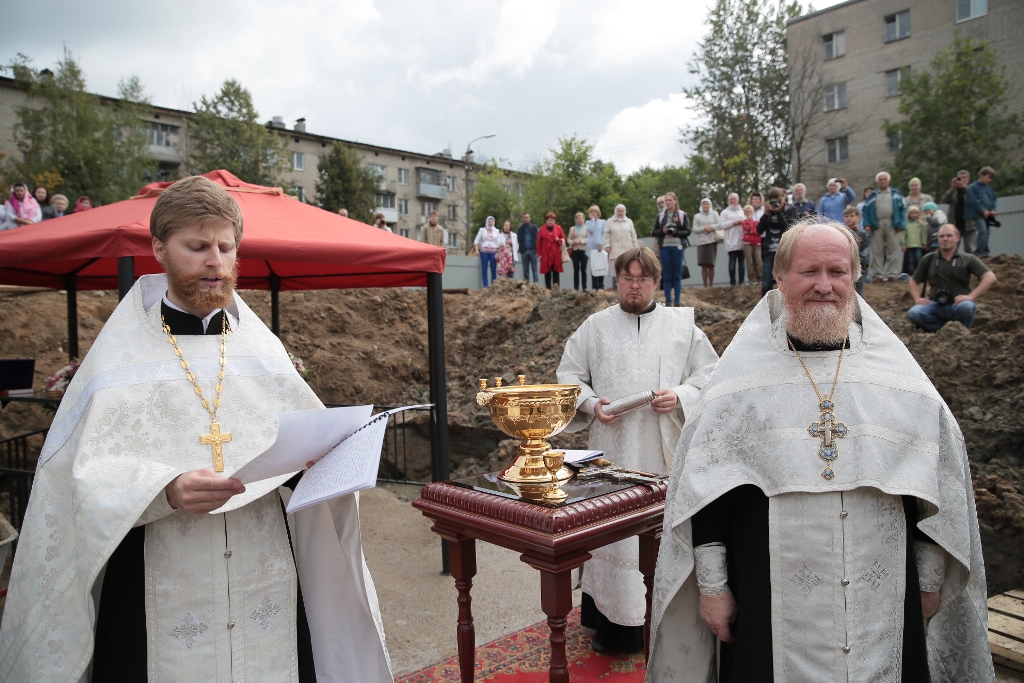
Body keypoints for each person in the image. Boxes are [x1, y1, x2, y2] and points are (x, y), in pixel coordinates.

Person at [0, 175, 392, 682]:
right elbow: (78, 477)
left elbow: (301, 446)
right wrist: (164, 488)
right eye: (197, 246)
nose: (215, 261)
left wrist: (316, 463)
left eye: (227, 247)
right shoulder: (117, 360)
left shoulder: (262, 351)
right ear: (159, 248)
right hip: (152, 578)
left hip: (264, 572)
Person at [647, 219, 995, 683]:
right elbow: (707, 496)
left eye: (838, 272)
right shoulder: (738, 383)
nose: (824, 286)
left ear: (855, 278)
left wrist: (928, 581)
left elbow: (933, 482)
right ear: (780, 278)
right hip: (766, 599)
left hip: (886, 595)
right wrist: (712, 589)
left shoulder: (897, 380)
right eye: (810, 271)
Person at [557, 245, 718, 655]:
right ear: (617, 281)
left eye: (642, 279)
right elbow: (569, 375)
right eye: (627, 278)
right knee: (612, 538)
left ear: (655, 282)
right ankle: (611, 625)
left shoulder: (681, 326)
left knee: (657, 538)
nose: (634, 286)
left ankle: (664, 622)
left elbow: (711, 373)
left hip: (661, 455)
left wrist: (680, 396)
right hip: (612, 452)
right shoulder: (594, 327)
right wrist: (593, 405)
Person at [907, 224, 997, 333]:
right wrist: (917, 299)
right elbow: (913, 281)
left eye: (949, 236)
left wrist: (971, 296)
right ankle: (943, 332)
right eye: (942, 236)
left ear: (957, 238)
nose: (945, 239)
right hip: (935, 304)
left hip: (958, 304)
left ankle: (963, 332)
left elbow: (990, 277)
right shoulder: (929, 259)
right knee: (914, 313)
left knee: (967, 307)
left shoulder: (967, 258)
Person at [862, 171, 907, 282]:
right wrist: (867, 224)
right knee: (877, 250)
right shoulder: (872, 195)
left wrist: (901, 224)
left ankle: (892, 273)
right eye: (880, 180)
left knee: (893, 249)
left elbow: (903, 209)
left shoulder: (896, 194)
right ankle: (878, 274)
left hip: (893, 223)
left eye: (884, 179)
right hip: (876, 224)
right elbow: (865, 210)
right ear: (877, 182)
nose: (882, 181)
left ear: (889, 181)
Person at [757, 187, 797, 295]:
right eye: (773, 201)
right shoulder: (768, 213)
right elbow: (759, 230)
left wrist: (779, 213)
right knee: (766, 284)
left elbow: (791, 229)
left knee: (788, 282)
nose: (776, 204)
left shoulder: (791, 210)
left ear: (784, 198)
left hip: (786, 252)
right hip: (769, 251)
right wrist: (765, 214)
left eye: (778, 200)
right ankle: (766, 309)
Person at [652, 192, 690, 305]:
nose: (668, 202)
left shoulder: (682, 215)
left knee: (677, 275)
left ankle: (677, 301)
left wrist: (676, 232)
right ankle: (668, 301)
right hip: (664, 247)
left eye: (670, 200)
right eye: (666, 200)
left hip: (677, 247)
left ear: (675, 201)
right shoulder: (661, 216)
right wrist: (662, 231)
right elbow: (654, 231)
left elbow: (687, 231)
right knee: (666, 275)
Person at [966, 166, 997, 258]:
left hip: (988, 214)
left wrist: (993, 209)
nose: (989, 180)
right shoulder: (973, 187)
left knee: (987, 232)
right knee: (982, 231)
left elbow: (994, 199)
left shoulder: (989, 188)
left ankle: (985, 251)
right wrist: (982, 210)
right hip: (977, 214)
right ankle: (978, 251)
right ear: (982, 175)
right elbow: (973, 201)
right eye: (988, 177)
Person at [604, 204, 637, 287]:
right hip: (615, 248)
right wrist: (607, 245)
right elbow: (606, 234)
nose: (620, 213)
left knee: (627, 267)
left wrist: (635, 247)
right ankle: (616, 287)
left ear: (624, 212)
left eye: (622, 211)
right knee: (616, 268)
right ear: (616, 211)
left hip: (627, 248)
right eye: (619, 211)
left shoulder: (629, 221)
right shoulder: (610, 221)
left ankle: (627, 286)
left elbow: (633, 234)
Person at [719, 193, 746, 286]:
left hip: (742, 240)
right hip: (730, 240)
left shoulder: (742, 211)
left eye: (734, 199)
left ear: (738, 200)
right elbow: (721, 225)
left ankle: (741, 281)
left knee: (742, 263)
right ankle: (733, 282)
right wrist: (733, 222)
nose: (732, 200)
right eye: (731, 199)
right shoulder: (725, 212)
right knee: (732, 262)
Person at [693, 198, 719, 289]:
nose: (706, 206)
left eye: (707, 204)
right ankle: (705, 285)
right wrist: (704, 228)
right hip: (702, 242)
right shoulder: (697, 216)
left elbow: (719, 225)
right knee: (703, 264)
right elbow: (695, 229)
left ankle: (711, 285)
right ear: (701, 206)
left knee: (711, 264)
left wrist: (711, 227)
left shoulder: (714, 214)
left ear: (710, 205)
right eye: (704, 204)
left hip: (712, 241)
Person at [843, 205, 870, 296]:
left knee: (859, 292)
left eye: (852, 216)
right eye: (846, 216)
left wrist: (860, 264)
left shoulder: (863, 234)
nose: (849, 219)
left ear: (858, 217)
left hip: (859, 267)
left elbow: (865, 252)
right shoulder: (842, 234)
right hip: (844, 267)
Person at [941, 170, 970, 251]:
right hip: (955, 223)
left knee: (970, 248)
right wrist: (952, 188)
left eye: (964, 178)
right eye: (959, 178)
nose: (962, 180)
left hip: (969, 223)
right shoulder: (954, 191)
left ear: (968, 179)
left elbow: (973, 200)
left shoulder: (971, 190)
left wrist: (963, 187)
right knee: (953, 248)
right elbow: (945, 200)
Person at [538, 211, 566, 289]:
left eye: (552, 220)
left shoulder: (559, 228)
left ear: (554, 221)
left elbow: (563, 239)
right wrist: (539, 254)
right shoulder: (542, 229)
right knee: (547, 271)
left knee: (556, 271)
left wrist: (559, 240)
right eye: (549, 220)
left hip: (556, 253)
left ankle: (556, 288)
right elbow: (539, 243)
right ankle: (548, 288)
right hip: (546, 253)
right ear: (546, 221)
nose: (551, 221)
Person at [472, 216, 502, 287]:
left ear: (494, 222)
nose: (490, 223)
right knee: (484, 269)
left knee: (493, 269)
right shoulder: (482, 230)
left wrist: (498, 253)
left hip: (493, 251)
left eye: (492, 221)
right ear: (487, 222)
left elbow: (499, 242)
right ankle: (485, 286)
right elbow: (476, 240)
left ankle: (493, 285)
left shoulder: (496, 231)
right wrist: (477, 250)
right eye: (489, 221)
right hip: (484, 251)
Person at [901, 205, 927, 276]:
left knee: (918, 259)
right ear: (909, 214)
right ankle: (912, 274)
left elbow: (923, 234)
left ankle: (919, 274)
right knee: (910, 260)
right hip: (909, 245)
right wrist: (903, 244)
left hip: (918, 245)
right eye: (912, 213)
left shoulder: (921, 224)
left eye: (915, 213)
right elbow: (903, 235)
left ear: (918, 214)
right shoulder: (906, 224)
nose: (914, 215)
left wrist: (924, 243)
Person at [585, 205, 606, 290]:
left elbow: (604, 233)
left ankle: (600, 286)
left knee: (601, 266)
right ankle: (594, 286)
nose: (593, 213)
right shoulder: (588, 222)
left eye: (594, 211)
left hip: (600, 246)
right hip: (591, 247)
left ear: (598, 213)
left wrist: (601, 243)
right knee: (593, 267)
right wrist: (593, 220)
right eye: (591, 212)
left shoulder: (603, 222)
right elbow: (591, 230)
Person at [568, 211, 589, 291]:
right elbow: (568, 239)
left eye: (581, 218)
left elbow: (589, 238)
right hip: (575, 250)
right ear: (576, 220)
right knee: (576, 270)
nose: (579, 220)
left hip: (584, 250)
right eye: (578, 219)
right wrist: (572, 242)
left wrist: (581, 241)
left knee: (584, 270)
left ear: (583, 219)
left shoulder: (587, 228)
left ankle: (584, 287)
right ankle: (576, 288)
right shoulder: (572, 229)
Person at [741, 204, 762, 284]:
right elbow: (746, 228)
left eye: (751, 211)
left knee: (758, 261)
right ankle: (751, 279)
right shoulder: (744, 221)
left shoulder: (757, 220)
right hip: (747, 243)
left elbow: (758, 230)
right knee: (749, 261)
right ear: (745, 213)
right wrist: (750, 223)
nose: (749, 213)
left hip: (757, 243)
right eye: (747, 211)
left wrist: (751, 231)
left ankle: (760, 278)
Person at [517, 212, 540, 284]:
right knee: (525, 269)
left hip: (533, 251)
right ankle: (526, 284)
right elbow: (517, 239)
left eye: (527, 217)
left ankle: (536, 283)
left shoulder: (535, 227)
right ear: (522, 219)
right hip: (524, 251)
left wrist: (537, 249)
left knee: (535, 269)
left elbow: (539, 238)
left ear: (529, 218)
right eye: (524, 217)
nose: (525, 219)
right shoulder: (519, 229)